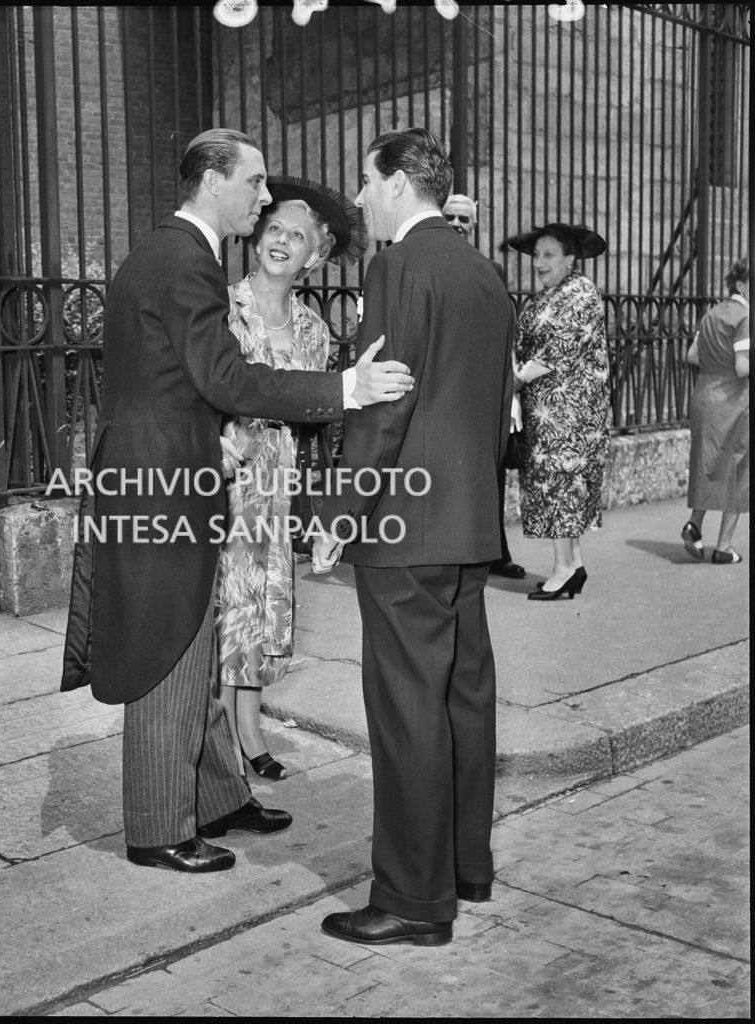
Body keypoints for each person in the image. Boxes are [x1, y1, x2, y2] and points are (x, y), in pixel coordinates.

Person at [60, 128, 414, 874]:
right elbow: (227, 379)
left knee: (197, 638)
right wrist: (345, 389)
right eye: (254, 184)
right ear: (213, 181)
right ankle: (157, 828)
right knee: (171, 650)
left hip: (166, 473)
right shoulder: (184, 263)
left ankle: (215, 795)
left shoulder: (173, 254)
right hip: (164, 484)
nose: (262, 198)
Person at [312, 127, 514, 947]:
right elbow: (497, 405)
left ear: (398, 183)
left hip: (405, 524)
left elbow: (381, 404)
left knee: (406, 713)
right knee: (463, 698)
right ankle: (465, 866)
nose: (358, 196)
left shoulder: (397, 264)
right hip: (467, 521)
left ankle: (411, 899)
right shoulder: (481, 270)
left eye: (365, 180)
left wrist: (336, 518)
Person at [216, 177, 366, 782]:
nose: (281, 240)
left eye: (297, 236)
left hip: (275, 491)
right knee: (227, 610)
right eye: (274, 228)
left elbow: (315, 412)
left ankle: (248, 726)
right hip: (224, 482)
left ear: (315, 254)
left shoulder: (312, 330)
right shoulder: (225, 307)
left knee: (260, 609)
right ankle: (226, 739)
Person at [500, 222, 611, 601]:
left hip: (571, 414)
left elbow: (556, 349)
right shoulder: (545, 297)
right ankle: (573, 564)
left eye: (548, 255)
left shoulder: (579, 293)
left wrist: (514, 380)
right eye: (536, 255)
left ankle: (564, 569)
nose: (539, 262)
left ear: (569, 259)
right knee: (555, 485)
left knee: (561, 485)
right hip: (550, 413)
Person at [442, 192, 525, 580]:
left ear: (474, 227)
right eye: (451, 217)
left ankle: (495, 552)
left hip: (484, 387)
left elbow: (504, 325)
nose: (458, 224)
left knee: (492, 472)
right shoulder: (428, 260)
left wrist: (509, 395)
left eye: (465, 220)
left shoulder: (490, 268)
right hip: (444, 384)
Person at [681, 257, 749, 564]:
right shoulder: (745, 317)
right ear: (741, 284)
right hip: (733, 400)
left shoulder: (712, 313)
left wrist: (716, 364)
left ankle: (694, 525)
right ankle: (723, 547)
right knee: (738, 469)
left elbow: (692, 355)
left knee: (710, 466)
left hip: (704, 395)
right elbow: (743, 367)